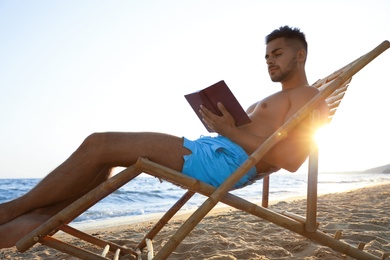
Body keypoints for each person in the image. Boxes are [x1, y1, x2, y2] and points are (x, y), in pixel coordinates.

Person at [0, 25, 328, 248]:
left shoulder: (309, 96)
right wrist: (222, 126)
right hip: (218, 152)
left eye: (278, 53)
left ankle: (12, 210)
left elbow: (291, 159)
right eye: (267, 55)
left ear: (300, 56)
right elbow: (261, 141)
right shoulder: (286, 97)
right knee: (105, 153)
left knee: (99, 143)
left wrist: (228, 132)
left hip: (225, 162)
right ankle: (39, 217)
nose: (270, 60)